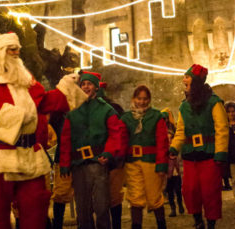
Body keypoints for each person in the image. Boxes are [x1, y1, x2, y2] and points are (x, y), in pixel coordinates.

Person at [0, 33, 88, 229]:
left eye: (17, 49)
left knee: (36, 210)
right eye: (11, 49)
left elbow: (43, 101)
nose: (16, 53)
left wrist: (67, 89)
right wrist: (20, 116)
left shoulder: (24, 78)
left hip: (28, 156)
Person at [59, 71, 125, 229]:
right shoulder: (72, 111)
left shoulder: (106, 110)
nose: (85, 87)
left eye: (89, 84)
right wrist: (65, 163)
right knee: (83, 209)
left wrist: (108, 153)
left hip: (98, 162)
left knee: (102, 207)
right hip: (78, 164)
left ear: (96, 87)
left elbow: (116, 134)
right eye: (83, 84)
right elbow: (66, 139)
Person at [169, 64, 229, 229]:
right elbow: (181, 131)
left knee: (210, 192)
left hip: (209, 155)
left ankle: (211, 223)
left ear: (195, 81)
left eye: (187, 77)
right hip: (190, 156)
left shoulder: (214, 102)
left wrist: (221, 152)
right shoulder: (184, 106)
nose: (184, 80)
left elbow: (222, 128)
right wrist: (174, 147)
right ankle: (197, 220)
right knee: (190, 191)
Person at [120, 85, 169, 229]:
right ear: (134, 99)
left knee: (154, 197)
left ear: (149, 100)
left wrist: (162, 165)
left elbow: (162, 142)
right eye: (139, 98)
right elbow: (121, 141)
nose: (142, 102)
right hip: (132, 162)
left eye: (145, 99)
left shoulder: (156, 116)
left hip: (151, 162)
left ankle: (162, 226)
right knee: (135, 197)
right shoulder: (126, 118)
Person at [98, 81, 127, 229]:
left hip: (113, 160)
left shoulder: (113, 109)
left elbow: (120, 135)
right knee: (106, 198)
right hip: (100, 160)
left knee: (113, 197)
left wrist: (119, 156)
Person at [161, 108, 185, 218]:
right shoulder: (160, 132)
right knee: (169, 189)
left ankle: (180, 205)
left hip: (176, 163)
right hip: (167, 165)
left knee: (178, 189)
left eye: (165, 118)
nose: (164, 120)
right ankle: (173, 208)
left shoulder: (175, 130)